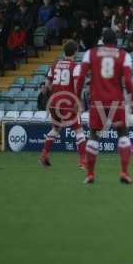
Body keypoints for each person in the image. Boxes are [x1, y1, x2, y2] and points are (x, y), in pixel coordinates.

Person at [75, 29, 133, 184]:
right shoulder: (124, 55)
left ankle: (90, 174)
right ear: (116, 42)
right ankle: (124, 172)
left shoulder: (90, 53)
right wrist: (132, 99)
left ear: (102, 40)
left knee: (94, 135)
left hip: (97, 101)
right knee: (122, 134)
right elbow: (128, 81)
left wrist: (77, 98)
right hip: (117, 100)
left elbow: (81, 77)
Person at [39, 40, 86, 169]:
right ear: (75, 52)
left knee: (55, 129)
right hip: (69, 104)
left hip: (54, 104)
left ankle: (44, 154)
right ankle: (83, 161)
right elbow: (77, 85)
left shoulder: (54, 65)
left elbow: (47, 86)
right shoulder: (75, 66)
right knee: (79, 131)